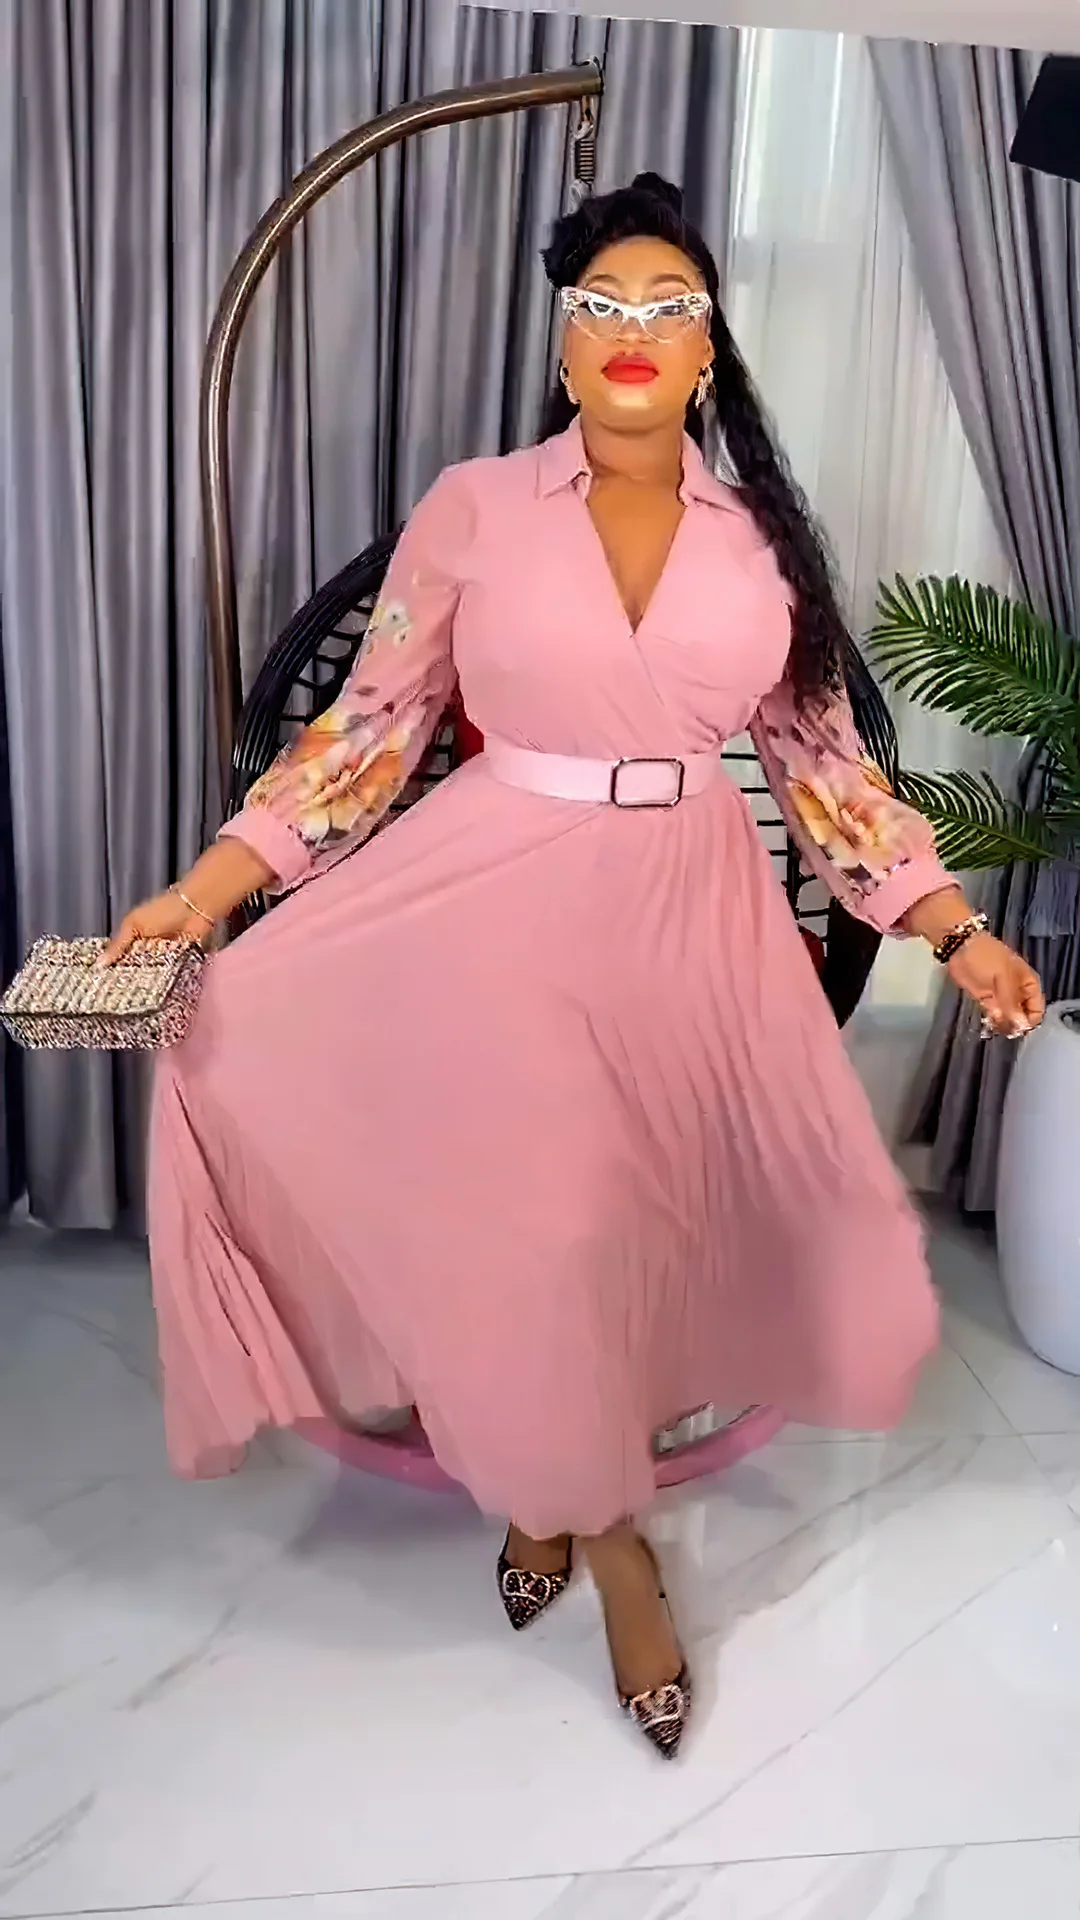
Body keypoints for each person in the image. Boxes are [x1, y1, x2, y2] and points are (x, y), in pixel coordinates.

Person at [109, 175, 1044, 1759]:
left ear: (708, 352)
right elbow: (370, 731)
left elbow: (827, 770)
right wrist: (207, 894)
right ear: (563, 347)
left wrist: (953, 927)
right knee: (534, 1226)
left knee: (623, 1243)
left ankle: (543, 1495)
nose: (633, 330)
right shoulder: (476, 506)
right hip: (495, 903)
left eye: (669, 306)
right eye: (602, 304)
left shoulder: (762, 544)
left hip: (691, 919)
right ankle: (616, 1556)